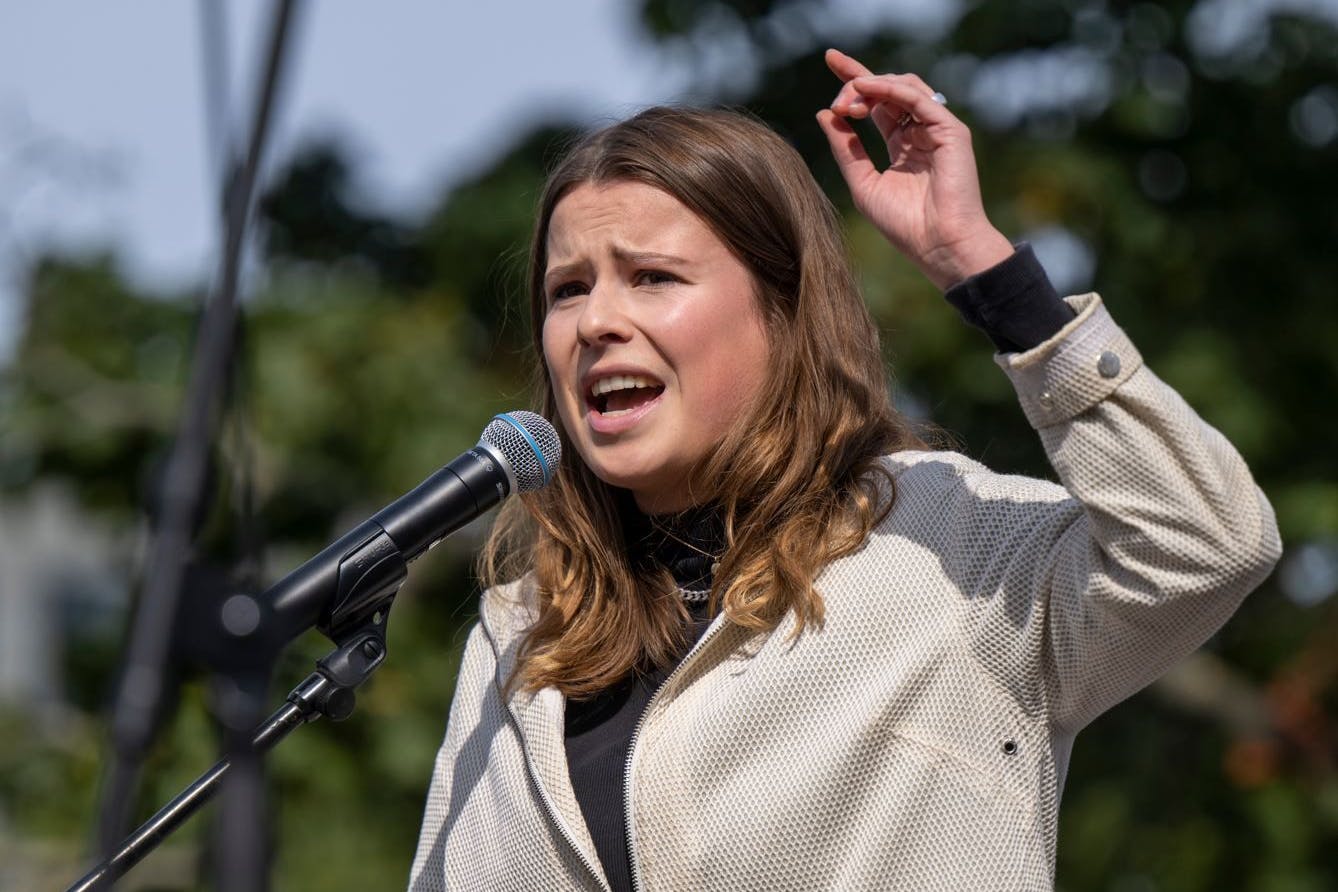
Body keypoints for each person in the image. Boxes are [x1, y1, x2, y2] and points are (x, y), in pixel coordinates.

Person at [408, 49, 1280, 891]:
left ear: (783, 314)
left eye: (651, 277)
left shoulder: (949, 544)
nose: (596, 320)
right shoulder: (523, 630)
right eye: (567, 289)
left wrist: (983, 267)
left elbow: (1204, 543)